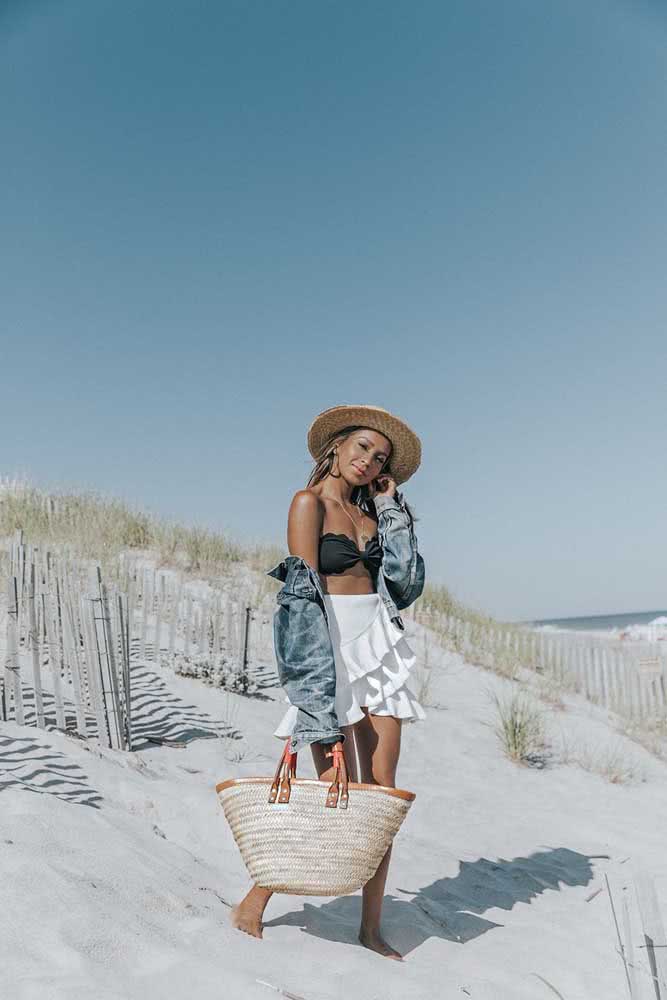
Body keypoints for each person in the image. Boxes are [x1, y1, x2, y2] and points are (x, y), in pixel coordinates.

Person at [231, 404, 426, 960]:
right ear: (337, 446)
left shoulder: (373, 512)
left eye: (380, 457)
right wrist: (312, 688)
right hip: (328, 652)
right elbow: (298, 599)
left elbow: (405, 585)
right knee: (336, 794)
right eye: (362, 447)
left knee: (382, 795)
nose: (368, 461)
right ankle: (256, 898)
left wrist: (391, 509)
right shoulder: (307, 503)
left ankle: (370, 928)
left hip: (378, 647)